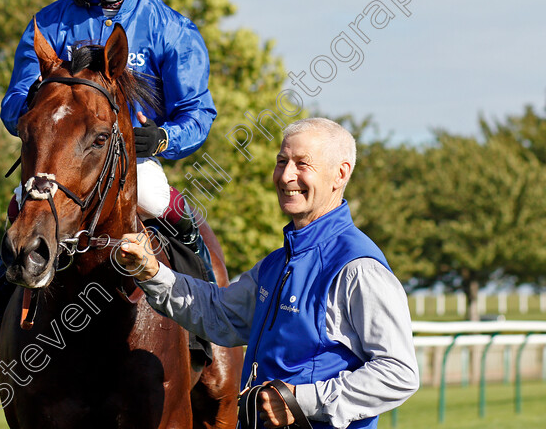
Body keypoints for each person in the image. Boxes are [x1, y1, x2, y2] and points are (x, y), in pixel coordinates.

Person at [0, 0, 218, 315]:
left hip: (132, 163)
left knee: (155, 196)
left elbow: (198, 113)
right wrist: (38, 116)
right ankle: (3, 298)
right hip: (62, 162)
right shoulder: (49, 23)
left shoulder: (172, 29)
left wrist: (163, 138)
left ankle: (204, 306)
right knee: (22, 204)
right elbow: (15, 98)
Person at [116, 118, 420, 429]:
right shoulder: (277, 263)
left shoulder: (359, 268)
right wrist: (151, 271)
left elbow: (398, 373)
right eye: (282, 161)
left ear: (340, 174)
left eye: (303, 164)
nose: (287, 175)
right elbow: (220, 315)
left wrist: (301, 400)